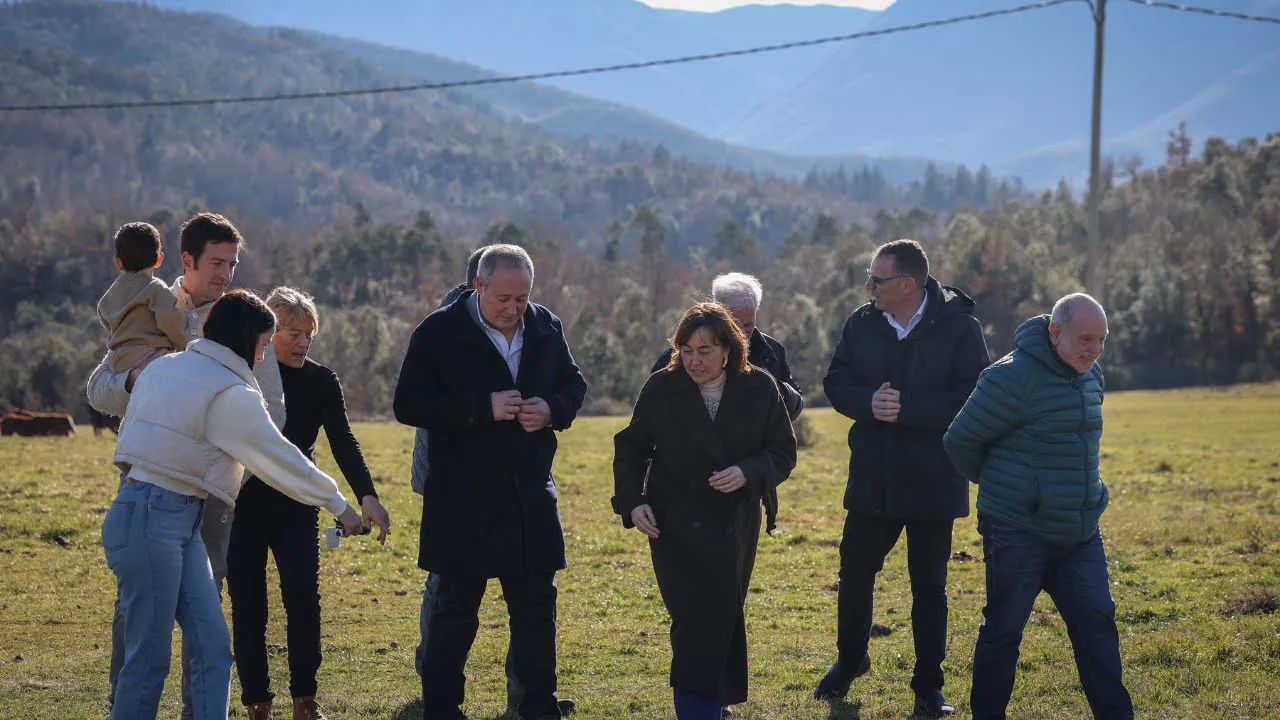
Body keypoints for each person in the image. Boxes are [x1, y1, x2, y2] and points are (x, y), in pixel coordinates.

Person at [103, 290, 363, 720]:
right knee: (148, 660)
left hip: (173, 518)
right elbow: (279, 460)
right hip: (153, 519)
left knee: (212, 649)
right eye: (263, 343)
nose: (264, 357)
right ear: (245, 340)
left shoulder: (164, 367)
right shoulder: (231, 393)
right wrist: (340, 505)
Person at [88, 212, 288, 719]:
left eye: (232, 264)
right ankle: (125, 700)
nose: (226, 273)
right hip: (147, 482)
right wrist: (138, 378)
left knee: (206, 607)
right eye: (216, 263)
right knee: (136, 610)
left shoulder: (242, 319)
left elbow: (273, 408)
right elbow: (98, 388)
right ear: (186, 261)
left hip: (215, 489)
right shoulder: (147, 304)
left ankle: (197, 710)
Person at [393, 244, 587, 720]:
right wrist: (482, 409)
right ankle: (442, 709)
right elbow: (408, 405)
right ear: (478, 286)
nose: (513, 309)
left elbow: (573, 385)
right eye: (503, 298)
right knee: (454, 613)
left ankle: (538, 707)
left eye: (521, 298)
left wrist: (551, 411)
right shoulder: (439, 331)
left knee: (537, 611)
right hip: (463, 502)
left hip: (529, 497)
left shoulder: (545, 325)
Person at [816, 239, 990, 717]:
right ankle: (850, 661)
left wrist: (908, 409)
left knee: (929, 587)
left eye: (877, 279)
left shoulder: (960, 328)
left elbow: (976, 395)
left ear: (907, 285)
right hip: (872, 476)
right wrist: (867, 402)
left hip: (935, 477)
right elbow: (836, 381)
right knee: (854, 574)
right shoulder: (862, 322)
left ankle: (929, 686)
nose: (868, 286)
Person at [944, 293, 1134, 720]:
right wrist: (1011, 488)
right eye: (1086, 338)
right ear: (1055, 332)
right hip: (1016, 529)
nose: (1095, 349)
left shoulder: (1092, 376)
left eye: (1101, 339)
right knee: (1004, 630)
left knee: (1097, 624)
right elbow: (959, 441)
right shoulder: (1008, 378)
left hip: (1080, 530)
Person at [614, 302, 797, 720]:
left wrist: (747, 472)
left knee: (723, 614)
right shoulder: (662, 387)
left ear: (729, 351)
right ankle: (699, 710)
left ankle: (712, 702)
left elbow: (783, 452)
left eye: (705, 351)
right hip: (673, 522)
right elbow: (631, 449)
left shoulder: (760, 388)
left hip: (735, 522)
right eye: (687, 350)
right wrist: (633, 502)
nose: (694, 360)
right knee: (693, 619)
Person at [226, 287, 392, 720]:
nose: (302, 342)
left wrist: (367, 495)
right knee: (249, 607)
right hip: (243, 505)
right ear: (268, 332)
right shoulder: (245, 378)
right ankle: (257, 703)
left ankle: (305, 700)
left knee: (303, 601)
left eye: (308, 334)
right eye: (291, 333)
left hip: (298, 504)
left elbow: (343, 440)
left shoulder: (321, 380)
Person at [651, 272, 803, 533]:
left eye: (748, 324)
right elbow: (652, 422)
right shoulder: (678, 357)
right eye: (733, 323)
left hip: (747, 487)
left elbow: (794, 407)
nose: (742, 333)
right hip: (686, 490)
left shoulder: (770, 352)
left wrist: (773, 392)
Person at [96, 221, 188, 376]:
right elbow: (170, 320)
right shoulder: (155, 287)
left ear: (118, 262)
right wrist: (185, 344)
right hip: (148, 355)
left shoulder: (112, 292)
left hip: (117, 361)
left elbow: (104, 314)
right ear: (159, 259)